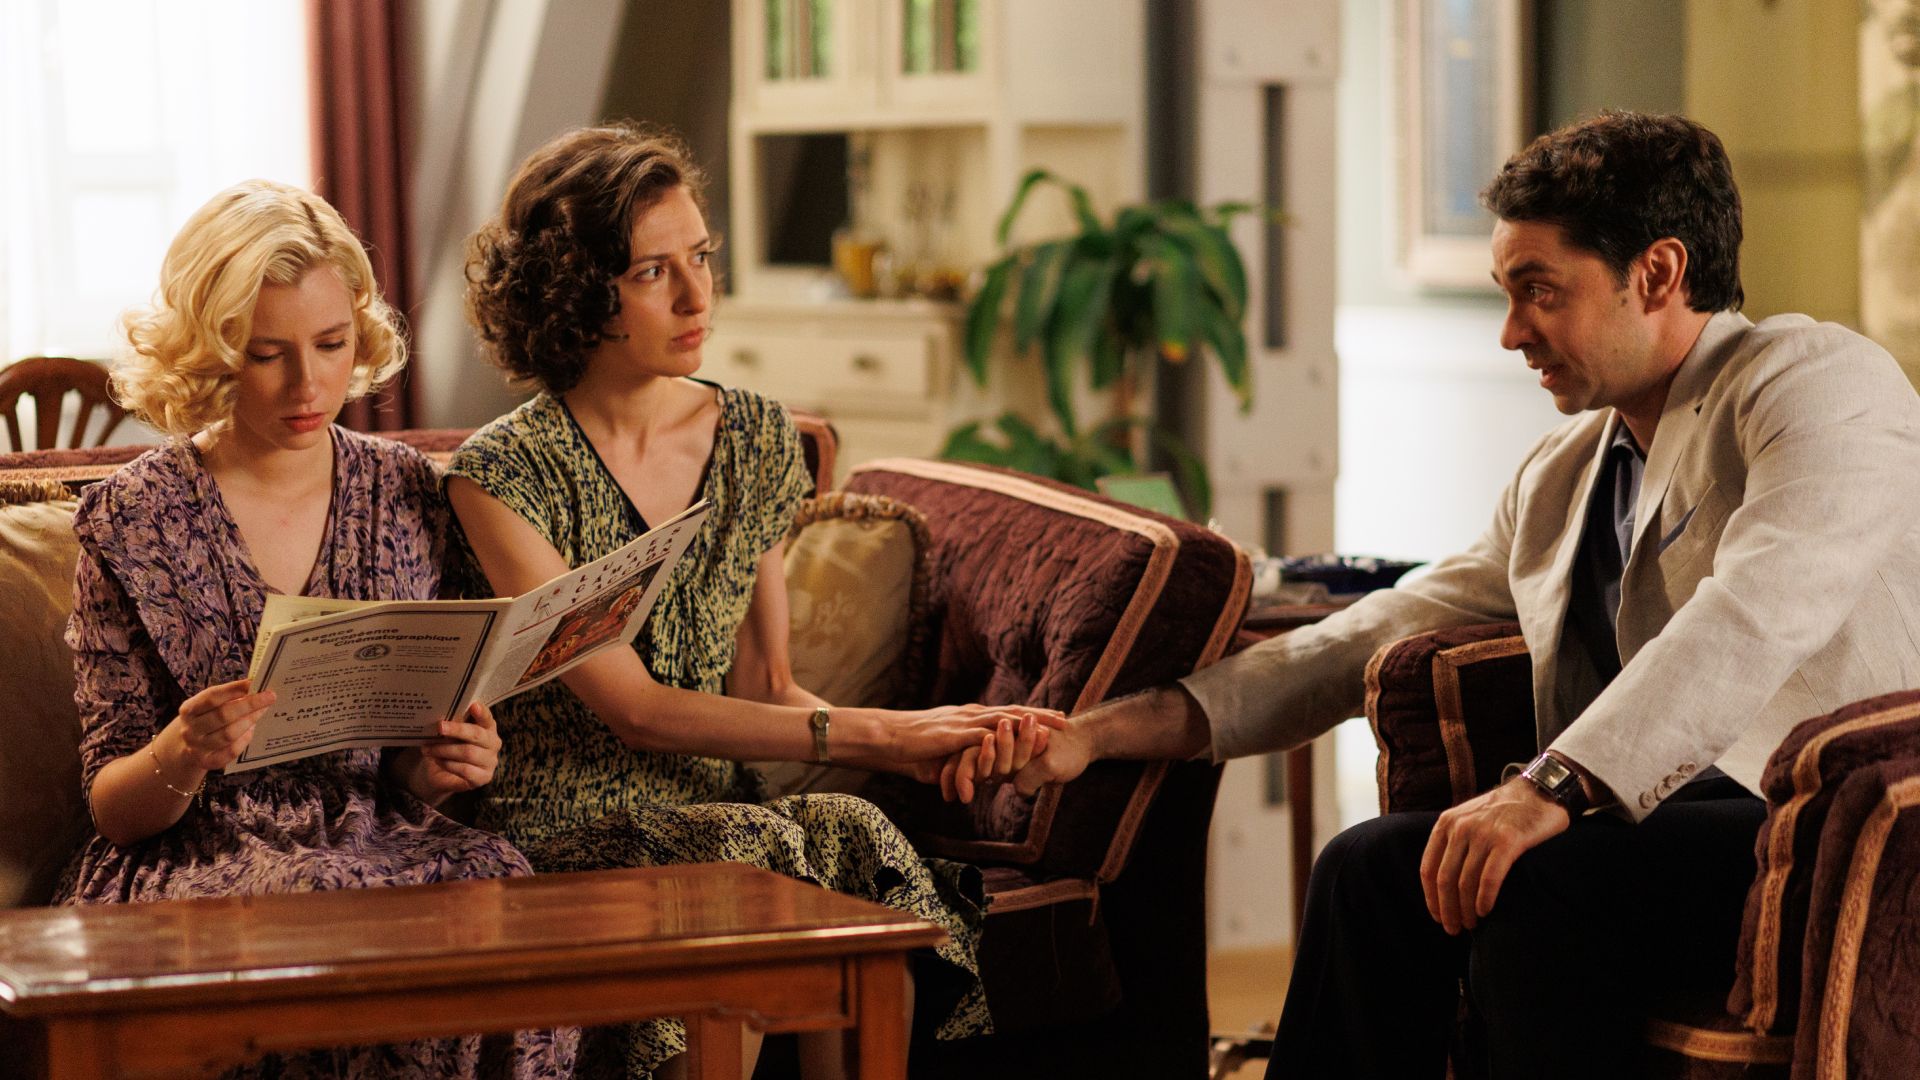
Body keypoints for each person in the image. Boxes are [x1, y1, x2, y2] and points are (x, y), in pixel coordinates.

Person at [1005, 110, 1920, 1076]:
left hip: (1832, 822)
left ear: (1657, 273)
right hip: (1660, 825)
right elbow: (1374, 630)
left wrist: (1548, 787)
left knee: (1531, 885)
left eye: (1540, 292)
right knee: (1363, 868)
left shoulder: (1817, 383)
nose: (1512, 333)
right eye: (1507, 295)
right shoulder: (1563, 472)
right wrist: (1101, 733)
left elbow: (1753, 613)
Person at [448, 123, 1057, 1078]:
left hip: (718, 811)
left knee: (852, 832)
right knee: (742, 846)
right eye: (654, 273)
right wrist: (887, 735)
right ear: (574, 290)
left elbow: (770, 685)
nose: (698, 297)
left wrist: (937, 741)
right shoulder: (501, 474)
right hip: (554, 827)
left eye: (702, 257)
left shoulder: (756, 438)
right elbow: (636, 711)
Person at [55, 180, 575, 1078]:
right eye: (267, 354)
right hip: (199, 858)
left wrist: (441, 768)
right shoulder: (130, 518)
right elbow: (113, 807)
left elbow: (403, 765)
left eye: (332, 344)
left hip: (386, 842)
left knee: (500, 886)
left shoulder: (410, 490)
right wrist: (182, 751)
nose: (309, 384)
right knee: (323, 898)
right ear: (212, 352)